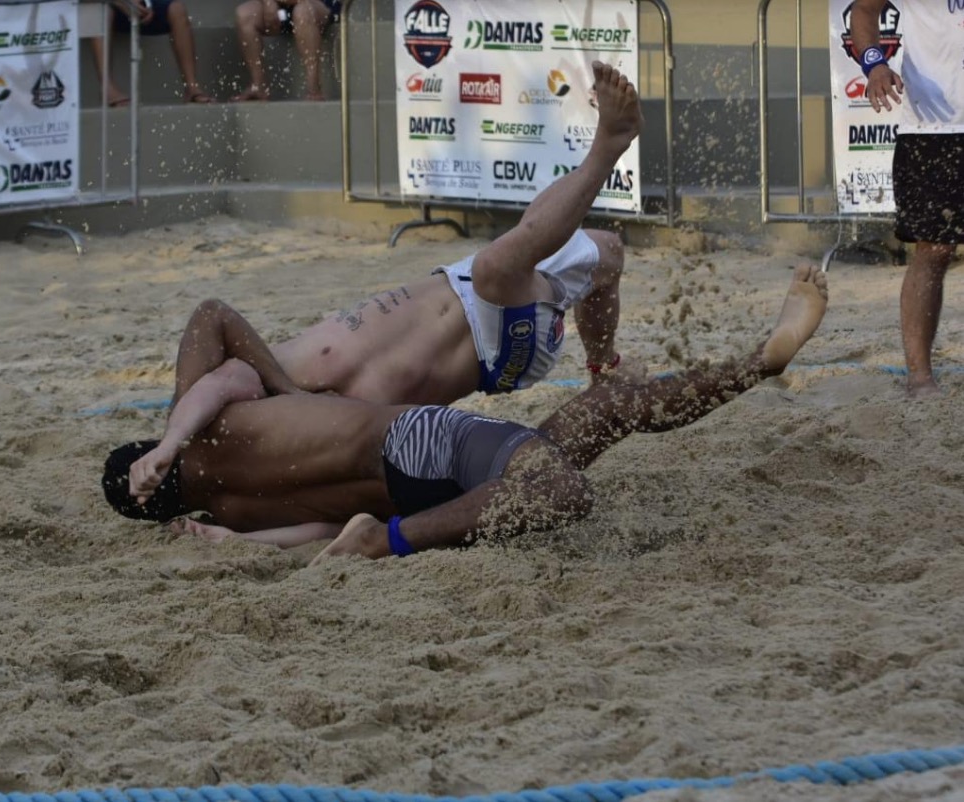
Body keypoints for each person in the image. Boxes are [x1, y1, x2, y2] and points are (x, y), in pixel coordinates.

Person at [101, 265, 830, 563]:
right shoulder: (202, 428)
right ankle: (388, 543)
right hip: (421, 450)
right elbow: (213, 320)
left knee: (605, 409)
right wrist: (186, 434)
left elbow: (318, 528)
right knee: (558, 488)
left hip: (432, 488)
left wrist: (235, 543)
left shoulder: (226, 510)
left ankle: (761, 362)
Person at [169, 62, 643, 424]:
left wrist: (172, 438)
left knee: (606, 254)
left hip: (465, 288)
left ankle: (604, 370)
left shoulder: (270, 367)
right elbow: (343, 502)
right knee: (500, 264)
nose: (232, 383)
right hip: (494, 345)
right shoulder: (318, 426)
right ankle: (607, 148)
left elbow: (213, 332)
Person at [850, 0, 963, 398]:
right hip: (934, 128)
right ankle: (920, 377)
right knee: (933, 251)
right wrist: (874, 64)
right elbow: (863, 10)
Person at [90, 0, 214, 106]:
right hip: (107, 6)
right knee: (100, 12)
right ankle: (107, 88)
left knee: (177, 8)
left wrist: (146, 3)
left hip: (137, 7)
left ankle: (191, 87)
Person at [232, 0, 341, 101]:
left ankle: (314, 88)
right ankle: (259, 85)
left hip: (319, 5)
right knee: (244, 14)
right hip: (281, 8)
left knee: (303, 12)